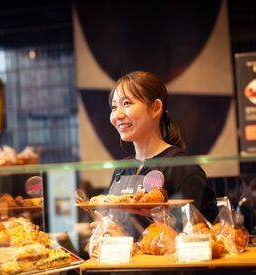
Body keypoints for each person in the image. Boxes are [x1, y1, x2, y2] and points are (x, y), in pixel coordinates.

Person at [93, 71, 218, 239]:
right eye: (114, 107)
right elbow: (115, 229)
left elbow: (201, 239)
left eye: (127, 103)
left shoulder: (182, 168)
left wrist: (124, 235)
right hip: (122, 265)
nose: (118, 115)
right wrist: (105, 230)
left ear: (155, 108)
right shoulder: (122, 169)